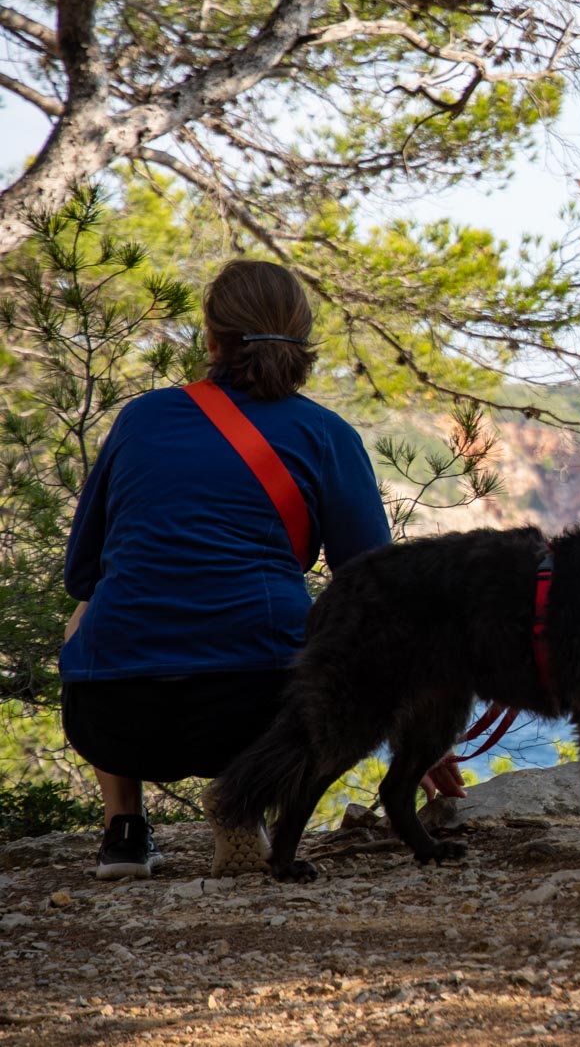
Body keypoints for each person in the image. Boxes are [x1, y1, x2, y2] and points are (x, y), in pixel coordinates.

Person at [58, 259, 457, 880]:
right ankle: (243, 801)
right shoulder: (325, 433)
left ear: (211, 339)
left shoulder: (141, 418)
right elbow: (380, 589)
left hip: (114, 717)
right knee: (321, 632)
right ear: (304, 341)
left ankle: (124, 832)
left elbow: (82, 573)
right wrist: (421, 731)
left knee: (89, 613)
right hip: (259, 711)